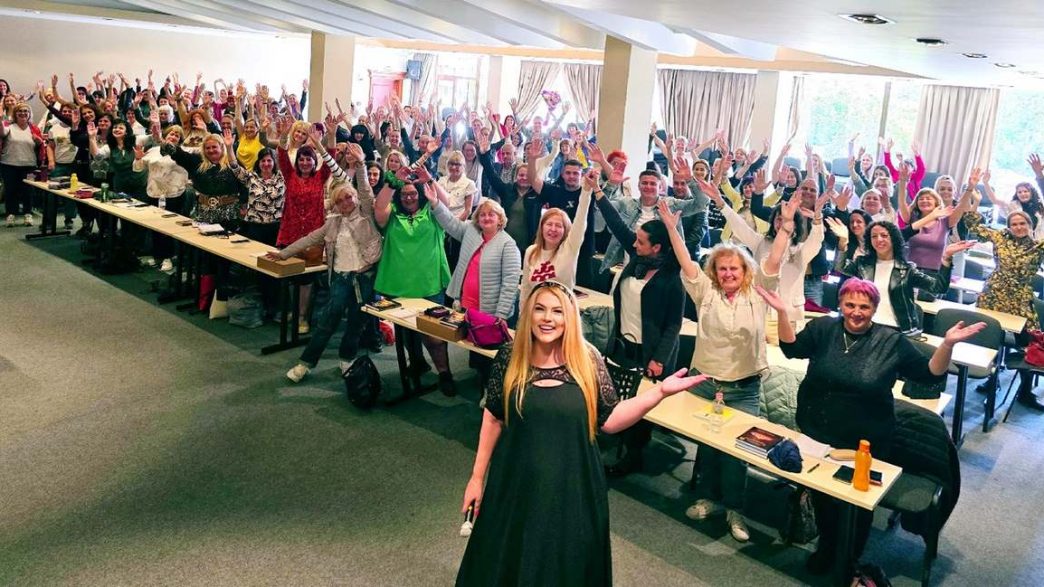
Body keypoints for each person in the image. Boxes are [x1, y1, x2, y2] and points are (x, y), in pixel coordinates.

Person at [456, 280, 708, 586]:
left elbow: (610, 419)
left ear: (570, 317)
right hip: (516, 481)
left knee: (567, 564)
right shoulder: (510, 356)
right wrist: (476, 478)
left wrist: (659, 393)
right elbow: (494, 416)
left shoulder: (587, 359)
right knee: (509, 560)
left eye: (557, 311)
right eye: (540, 309)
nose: (547, 318)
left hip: (573, 484)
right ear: (529, 313)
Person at [766, 278, 986, 576]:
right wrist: (782, 313)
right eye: (850, 305)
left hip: (866, 441)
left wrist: (946, 344)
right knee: (823, 495)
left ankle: (849, 558)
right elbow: (792, 349)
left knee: (856, 503)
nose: (856, 312)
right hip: (818, 431)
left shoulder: (890, 341)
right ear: (840, 304)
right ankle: (827, 547)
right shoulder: (823, 329)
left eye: (864, 307)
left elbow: (929, 374)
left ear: (874, 308)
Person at [665, 194, 792, 542]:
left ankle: (735, 509)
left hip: (744, 386)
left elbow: (774, 261)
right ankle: (708, 498)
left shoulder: (758, 293)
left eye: (734, 268)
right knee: (708, 445)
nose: (728, 273)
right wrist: (673, 228)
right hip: (706, 382)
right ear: (715, 272)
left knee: (737, 451)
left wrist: (785, 228)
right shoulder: (705, 291)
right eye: (722, 269)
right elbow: (686, 262)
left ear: (745, 271)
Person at [592, 185, 686, 479]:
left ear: (656, 247)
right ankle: (617, 442)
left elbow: (674, 324)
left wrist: (659, 359)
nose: (634, 244)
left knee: (640, 406)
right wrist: (598, 192)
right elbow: (617, 225)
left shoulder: (672, 278)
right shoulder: (637, 261)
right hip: (623, 346)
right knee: (617, 397)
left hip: (651, 354)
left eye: (641, 241)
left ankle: (633, 456)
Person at [276, 145, 381, 383]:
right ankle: (305, 363)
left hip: (364, 277)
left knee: (356, 322)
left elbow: (365, 191)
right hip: (341, 278)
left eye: (349, 197)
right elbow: (309, 239)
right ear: (335, 204)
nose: (346, 202)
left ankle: (347, 358)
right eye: (340, 200)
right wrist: (283, 254)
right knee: (327, 321)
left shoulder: (366, 213)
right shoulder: (333, 222)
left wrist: (361, 165)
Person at [960, 176, 1044, 409]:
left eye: (1022, 223)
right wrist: (975, 200)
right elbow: (973, 225)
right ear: (1008, 226)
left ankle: (1025, 392)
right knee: (992, 339)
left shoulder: (1038, 246)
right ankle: (992, 380)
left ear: (1030, 225)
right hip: (994, 295)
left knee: (1028, 343)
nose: (1018, 227)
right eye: (1014, 223)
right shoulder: (1000, 237)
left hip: (1020, 298)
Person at [701, 169, 825, 322]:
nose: (782, 223)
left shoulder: (801, 249)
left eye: (787, 219)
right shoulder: (760, 242)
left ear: (795, 224)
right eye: (779, 219)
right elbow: (738, 225)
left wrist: (818, 217)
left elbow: (816, 240)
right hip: (758, 311)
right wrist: (719, 201)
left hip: (789, 314)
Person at [373, 169, 455, 395]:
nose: (409, 198)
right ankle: (417, 362)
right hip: (397, 283)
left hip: (430, 283)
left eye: (413, 193)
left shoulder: (433, 212)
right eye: (404, 194)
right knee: (405, 330)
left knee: (434, 334)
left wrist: (430, 179)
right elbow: (379, 207)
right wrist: (392, 182)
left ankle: (445, 372)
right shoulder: (391, 215)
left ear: (420, 193)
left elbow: (447, 203)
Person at [835, 220, 971, 335]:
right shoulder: (862, 264)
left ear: (893, 239)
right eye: (874, 236)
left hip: (896, 329)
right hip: (864, 325)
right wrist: (843, 242)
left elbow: (938, 287)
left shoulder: (907, 269)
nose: (879, 239)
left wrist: (946, 258)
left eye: (884, 235)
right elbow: (840, 267)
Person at [425, 180, 521, 322]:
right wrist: (435, 203)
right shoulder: (471, 231)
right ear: (477, 218)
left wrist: (501, 315)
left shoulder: (508, 245)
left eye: (491, 214)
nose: (486, 218)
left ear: (500, 219)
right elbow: (450, 222)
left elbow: (510, 284)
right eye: (482, 215)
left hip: (490, 313)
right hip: (463, 306)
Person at [2, 102, 44, 227]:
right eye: (20, 111)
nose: (23, 113)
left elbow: (40, 146)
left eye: (26, 111)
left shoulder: (34, 129)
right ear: (15, 114)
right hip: (9, 164)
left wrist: (39, 141)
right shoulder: (9, 127)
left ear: (29, 114)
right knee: (10, 190)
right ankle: (11, 214)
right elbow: (1, 133)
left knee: (28, 191)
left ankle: (28, 214)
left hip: (29, 165)